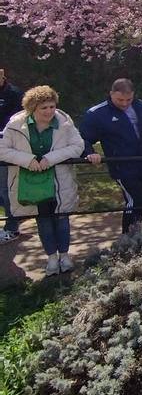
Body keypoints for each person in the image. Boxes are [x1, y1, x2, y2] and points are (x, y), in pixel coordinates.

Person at [0, 85, 84, 275]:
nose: (49, 111)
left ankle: (65, 256)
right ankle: (52, 259)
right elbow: (3, 149)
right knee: (43, 220)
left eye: (52, 106)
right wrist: (28, 160)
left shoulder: (64, 122)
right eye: (43, 108)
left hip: (58, 179)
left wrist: (51, 158)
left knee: (62, 218)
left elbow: (77, 146)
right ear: (32, 108)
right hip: (31, 182)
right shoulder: (15, 124)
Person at [81, 78, 142, 234]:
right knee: (136, 199)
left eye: (129, 99)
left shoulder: (140, 106)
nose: (125, 103)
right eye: (120, 99)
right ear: (111, 94)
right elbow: (84, 138)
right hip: (123, 166)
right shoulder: (96, 114)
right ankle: (129, 239)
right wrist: (90, 153)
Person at [0, 67, 24, 242]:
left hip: (7, 147)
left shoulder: (15, 94)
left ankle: (12, 226)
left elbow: (21, 121)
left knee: (5, 187)